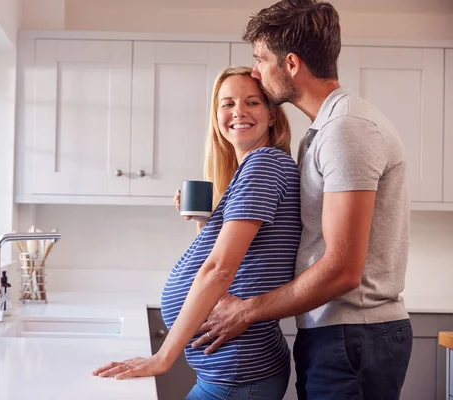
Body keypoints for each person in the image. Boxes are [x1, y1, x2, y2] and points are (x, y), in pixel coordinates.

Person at [192, 1, 413, 399]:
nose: (256, 72)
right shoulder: (325, 130)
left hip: (354, 336)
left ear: (291, 64)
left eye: (261, 60)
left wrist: (248, 311)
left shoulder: (347, 129)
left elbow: (343, 270)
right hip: (339, 335)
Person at [92, 66, 301, 399]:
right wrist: (206, 224)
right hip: (234, 369)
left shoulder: (263, 163)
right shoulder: (254, 167)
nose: (239, 112)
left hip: (237, 371)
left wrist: (163, 359)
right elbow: (246, 261)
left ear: (273, 115)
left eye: (252, 102)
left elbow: (220, 270)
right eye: (227, 103)